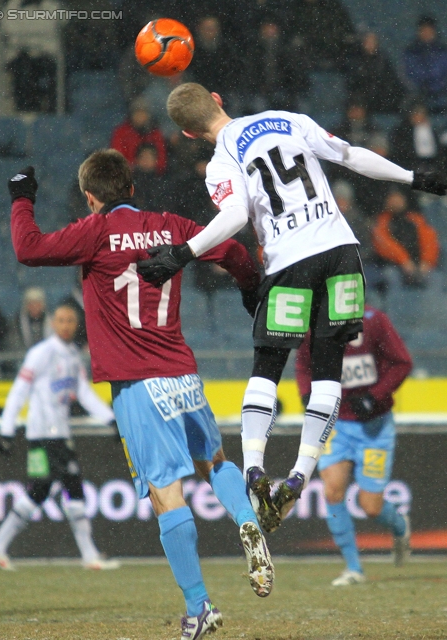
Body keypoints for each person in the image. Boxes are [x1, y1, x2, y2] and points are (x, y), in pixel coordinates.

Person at [137, 82, 447, 535]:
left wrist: (182, 253)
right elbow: (350, 155)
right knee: (328, 369)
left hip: (289, 261)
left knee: (267, 367)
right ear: (220, 99)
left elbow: (236, 217)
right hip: (342, 252)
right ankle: (301, 473)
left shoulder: (222, 160)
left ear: (187, 133)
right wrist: (414, 179)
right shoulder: (287, 119)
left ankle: (254, 469)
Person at [7, 150, 274, 640]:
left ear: (91, 197)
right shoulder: (171, 225)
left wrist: (22, 196)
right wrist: (250, 285)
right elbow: (233, 250)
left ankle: (199, 607)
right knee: (214, 461)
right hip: (183, 374)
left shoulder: (93, 232)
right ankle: (246, 519)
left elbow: (28, 248)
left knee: (164, 494)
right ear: (131, 187)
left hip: (136, 384)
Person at [0, 305, 118, 571]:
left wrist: (110, 419)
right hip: (43, 434)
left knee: (40, 490)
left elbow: (84, 393)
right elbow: (18, 392)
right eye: (61, 320)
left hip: (59, 434)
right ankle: (89, 556)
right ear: (53, 323)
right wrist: (7, 430)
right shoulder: (41, 354)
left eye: (70, 320)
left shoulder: (72, 355)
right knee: (72, 486)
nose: (66, 324)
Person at [295, 305, 412, 586]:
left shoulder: (374, 320)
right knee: (332, 490)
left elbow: (402, 363)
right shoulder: (314, 326)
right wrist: (306, 393)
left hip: (376, 425)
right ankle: (353, 568)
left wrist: (375, 395)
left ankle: (400, 525)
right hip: (338, 424)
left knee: (370, 506)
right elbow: (304, 365)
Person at [372, 187, 440, 288]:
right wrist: (404, 261)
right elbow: (385, 245)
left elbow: (430, 241)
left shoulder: (416, 219)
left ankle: (431, 304)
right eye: (392, 199)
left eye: (398, 198)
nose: (396, 202)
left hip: (419, 265)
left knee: (437, 278)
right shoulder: (381, 222)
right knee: (391, 275)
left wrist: (426, 261)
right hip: (393, 266)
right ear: (386, 202)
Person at [404, 15, 447, 114]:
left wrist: (438, 89)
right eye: (423, 30)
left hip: (442, 94)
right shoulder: (411, 52)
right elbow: (407, 75)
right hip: (418, 96)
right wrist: (420, 90)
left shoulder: (443, 51)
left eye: (429, 30)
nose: (426, 33)